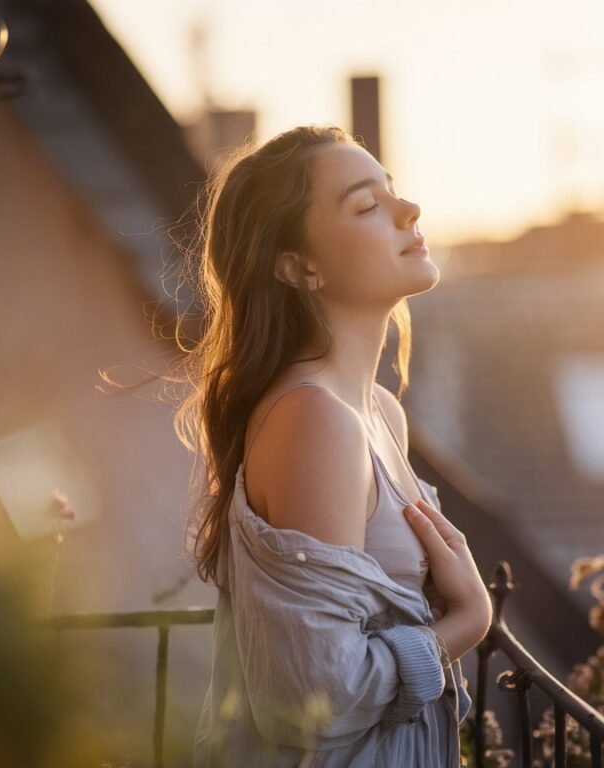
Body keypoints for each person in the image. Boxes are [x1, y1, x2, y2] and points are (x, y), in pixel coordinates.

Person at [173, 125, 493, 766]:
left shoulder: (379, 412)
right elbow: (318, 699)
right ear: (299, 266)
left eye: (393, 190)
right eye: (367, 205)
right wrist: (466, 622)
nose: (410, 210)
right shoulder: (314, 419)